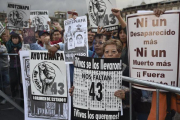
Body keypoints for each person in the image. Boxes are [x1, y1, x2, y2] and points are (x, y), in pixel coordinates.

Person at [69, 39, 141, 120]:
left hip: (121, 115)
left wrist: (126, 96)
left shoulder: (127, 70)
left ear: (119, 53)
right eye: (106, 52)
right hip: (100, 115)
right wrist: (77, 90)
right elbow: (90, 88)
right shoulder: (94, 69)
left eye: (113, 51)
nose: (110, 54)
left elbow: (138, 94)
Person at [6, 33, 23, 106]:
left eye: (16, 38)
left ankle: (22, 100)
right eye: (13, 38)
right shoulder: (9, 45)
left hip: (21, 67)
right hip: (12, 66)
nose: (15, 40)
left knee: (21, 83)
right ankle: (13, 93)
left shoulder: (22, 46)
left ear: (19, 39)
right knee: (13, 80)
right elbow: (7, 37)